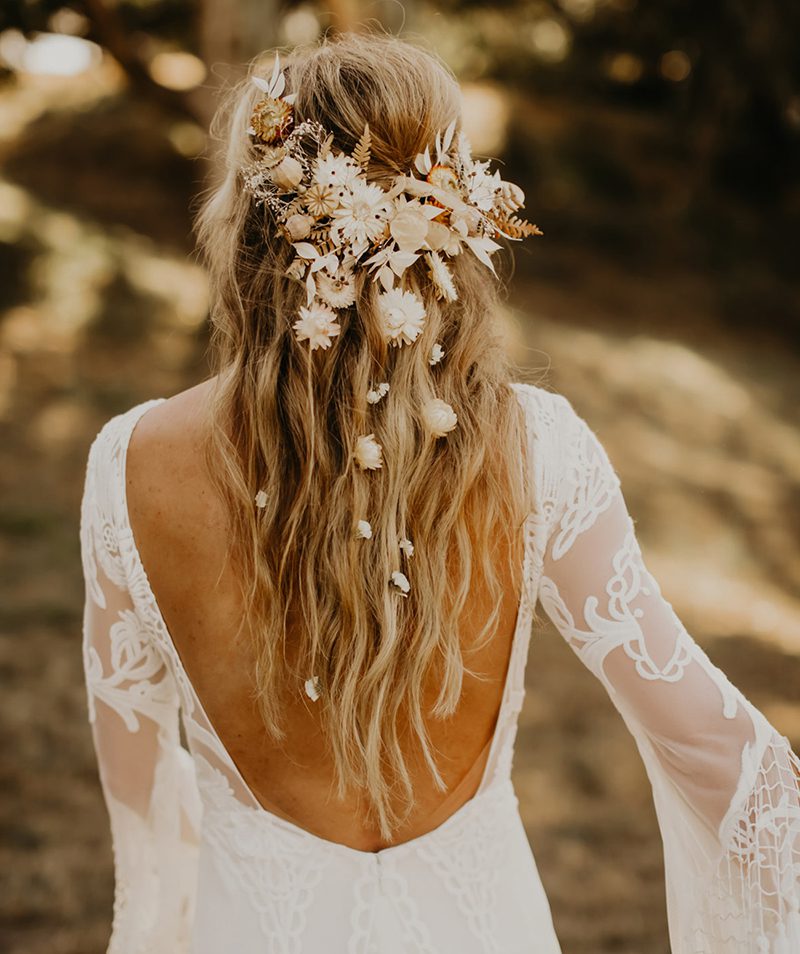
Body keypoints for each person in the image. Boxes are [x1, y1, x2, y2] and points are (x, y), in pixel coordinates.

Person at [79, 33, 800, 954]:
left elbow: (142, 811)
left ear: (249, 223)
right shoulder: (536, 451)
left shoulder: (130, 464)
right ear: (451, 218)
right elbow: (717, 755)